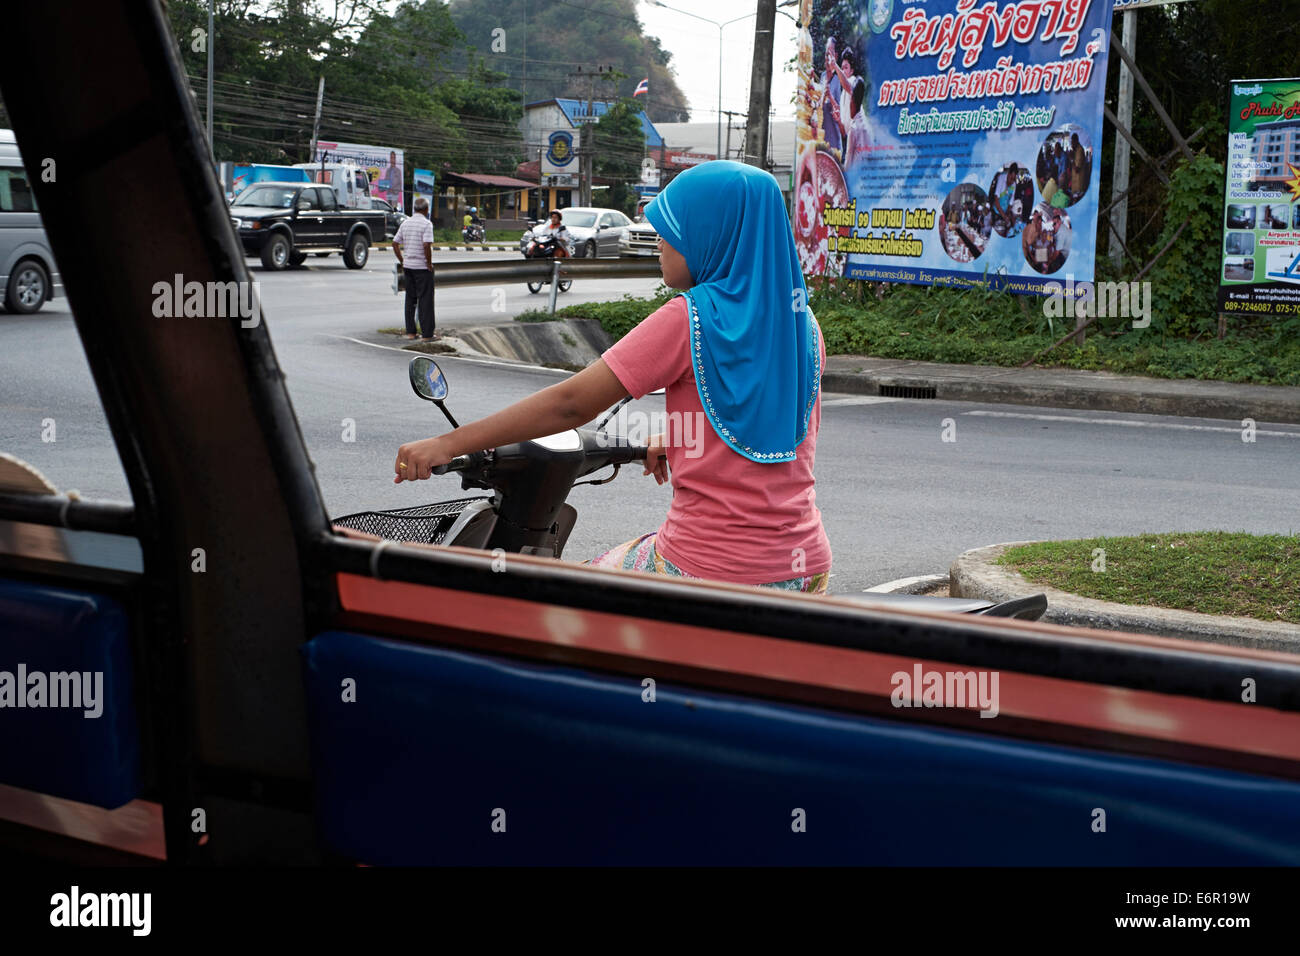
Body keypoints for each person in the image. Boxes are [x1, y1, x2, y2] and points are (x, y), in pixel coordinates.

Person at [393, 161, 832, 593]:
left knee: (565, 601)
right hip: (806, 567)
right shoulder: (803, 324)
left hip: (708, 572)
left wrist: (446, 444)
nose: (659, 240)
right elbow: (761, 418)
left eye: (674, 229)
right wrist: (680, 438)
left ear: (712, 235)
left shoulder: (690, 318)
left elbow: (572, 404)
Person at [392, 197, 436, 340]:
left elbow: (395, 243)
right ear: (426, 210)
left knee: (410, 299)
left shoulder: (406, 223)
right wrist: (428, 263)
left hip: (408, 267)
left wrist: (402, 260)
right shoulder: (426, 224)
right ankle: (427, 334)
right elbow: (426, 245)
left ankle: (411, 332)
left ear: (414, 209)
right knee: (425, 300)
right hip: (422, 268)